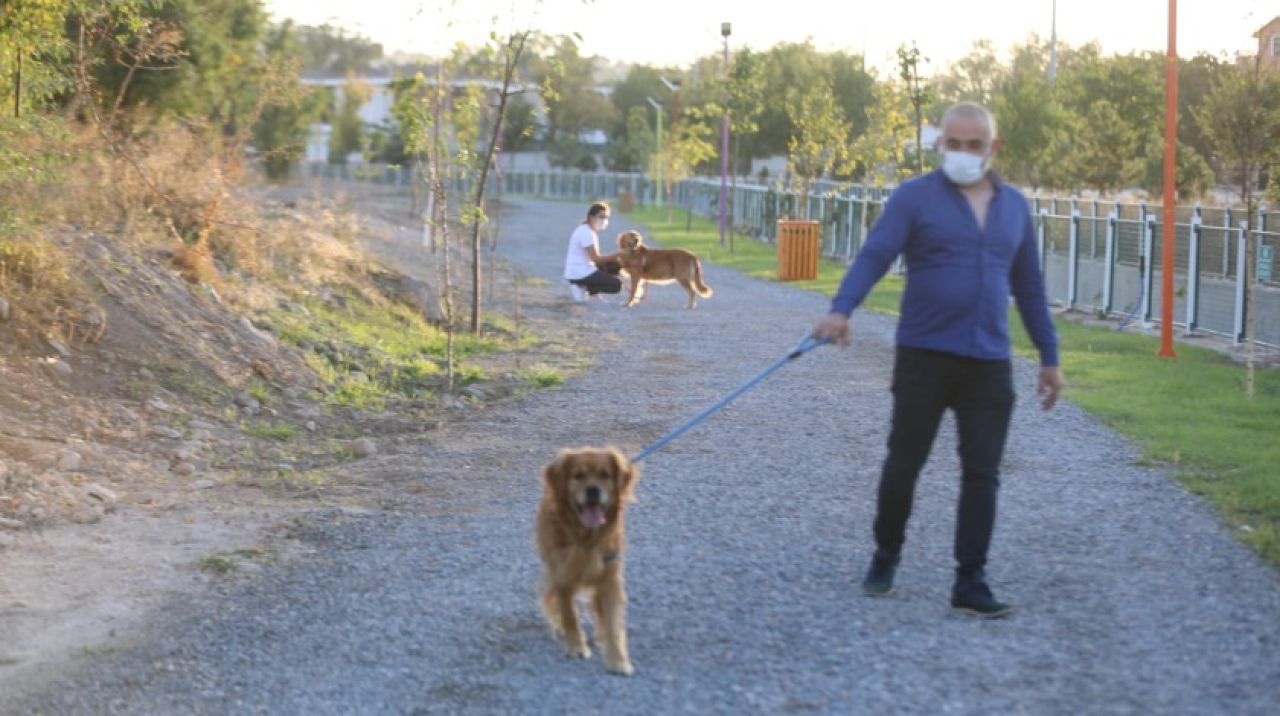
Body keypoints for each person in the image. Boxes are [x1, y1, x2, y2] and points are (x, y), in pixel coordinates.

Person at [812, 102, 1064, 619]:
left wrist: (1049, 357)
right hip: (924, 356)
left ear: (993, 149)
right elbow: (875, 254)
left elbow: (1030, 287)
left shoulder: (1015, 207)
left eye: (976, 145)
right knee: (905, 461)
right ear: (939, 145)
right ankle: (886, 555)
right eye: (955, 144)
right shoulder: (914, 198)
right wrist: (841, 309)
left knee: (982, 472)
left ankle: (970, 579)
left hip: (989, 361)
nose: (965, 153)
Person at [563, 202, 623, 302]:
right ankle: (583, 287)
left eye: (606, 217)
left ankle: (593, 293)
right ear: (591, 217)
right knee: (617, 285)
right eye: (601, 217)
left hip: (579, 270)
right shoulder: (586, 233)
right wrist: (618, 254)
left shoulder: (587, 230)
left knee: (613, 266)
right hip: (580, 273)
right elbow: (595, 259)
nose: (604, 220)